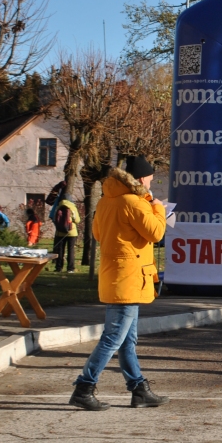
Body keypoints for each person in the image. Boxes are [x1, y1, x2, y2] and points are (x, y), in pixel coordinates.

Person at [69, 155, 168, 411]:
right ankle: (84, 387)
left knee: (127, 341)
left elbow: (98, 234)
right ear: (141, 179)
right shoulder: (135, 203)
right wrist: (159, 208)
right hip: (130, 278)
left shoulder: (106, 200)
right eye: (150, 178)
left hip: (115, 275)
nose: (151, 182)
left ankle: (139, 389)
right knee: (113, 339)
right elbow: (156, 233)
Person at [52, 193, 81, 273]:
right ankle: (70, 268)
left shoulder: (58, 207)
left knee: (60, 250)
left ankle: (59, 268)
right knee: (70, 250)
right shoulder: (72, 207)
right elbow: (77, 220)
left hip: (60, 232)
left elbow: (55, 218)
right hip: (71, 232)